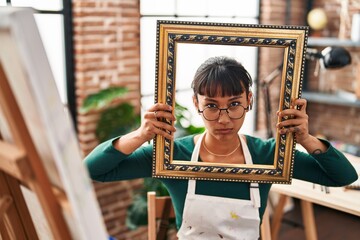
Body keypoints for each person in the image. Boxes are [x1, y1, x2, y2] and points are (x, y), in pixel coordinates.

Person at [84, 56, 358, 240]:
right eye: (212, 106)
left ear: (249, 99)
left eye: (235, 104)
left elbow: (343, 177)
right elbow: (92, 170)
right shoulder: (172, 156)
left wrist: (306, 138)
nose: (224, 118)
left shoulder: (267, 155)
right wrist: (142, 134)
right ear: (196, 103)